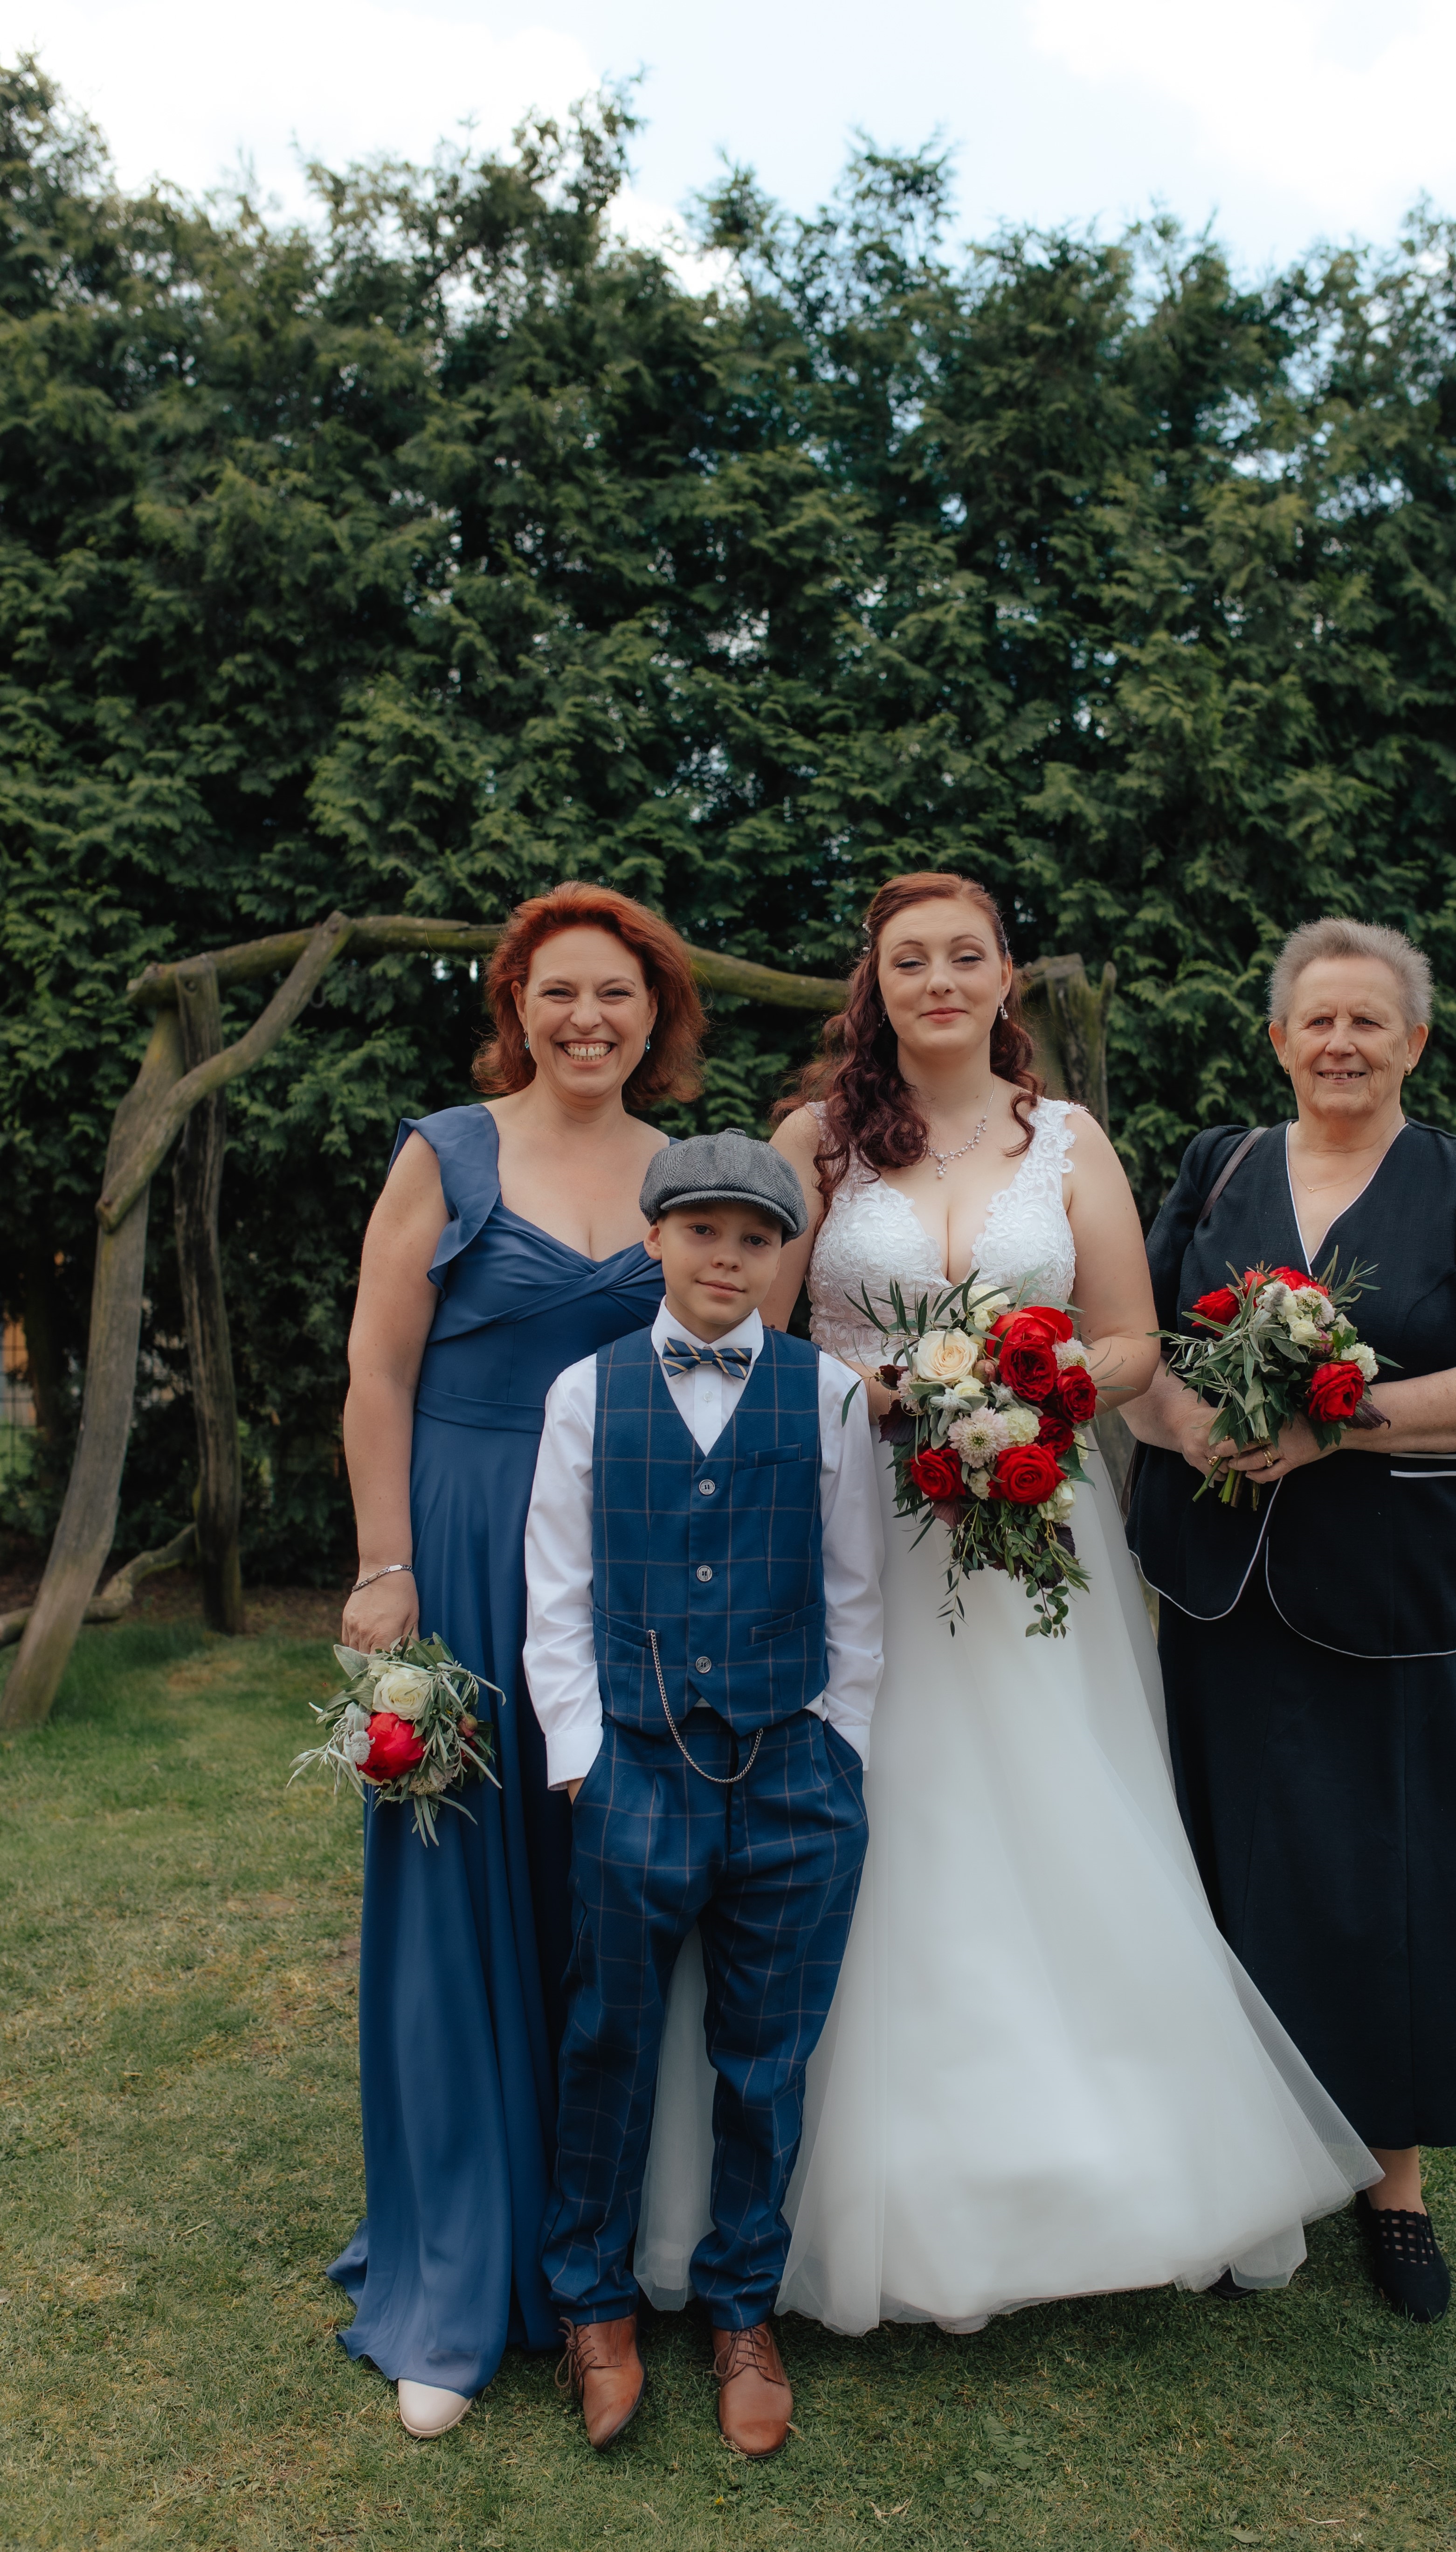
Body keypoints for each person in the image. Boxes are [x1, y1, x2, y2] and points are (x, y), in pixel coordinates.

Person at [632, 871, 1375, 2340]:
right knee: (867, 1812)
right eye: (908, 960)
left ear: (1003, 977)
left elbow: (1130, 1336)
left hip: (1037, 1522)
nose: (938, 981)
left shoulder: (1070, 1141)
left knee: (1055, 1804)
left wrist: (1033, 1384)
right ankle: (836, 2185)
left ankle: (1094, 2168)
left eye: (964, 955)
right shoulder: (817, 1142)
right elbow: (746, 1331)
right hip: (855, 1517)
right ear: (877, 985)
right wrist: (885, 1390)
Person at [1125, 915, 1456, 2323]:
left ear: (1414, 1043)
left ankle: (1396, 2186)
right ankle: (1243, 2178)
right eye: (1316, 1020)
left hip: (1389, 1586)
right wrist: (1190, 1425)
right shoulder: (1219, 1165)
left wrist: (1343, 1423)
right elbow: (1137, 1340)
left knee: (1395, 1882)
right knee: (1226, 1869)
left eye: (1369, 1020)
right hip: (1217, 1582)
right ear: (1278, 1040)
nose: (1340, 1043)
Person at [329, 881, 705, 2437]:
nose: (587, 1018)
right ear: (516, 1007)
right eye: (558, 991)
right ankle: (455, 2270)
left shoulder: (685, 1169)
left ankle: (605, 2251)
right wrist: (388, 1566)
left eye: (615, 992)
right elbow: (376, 1366)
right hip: (469, 1540)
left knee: (608, 1898)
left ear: (655, 1013)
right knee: (457, 1899)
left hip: (629, 1563)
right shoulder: (448, 1152)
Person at [522, 1131, 883, 2456]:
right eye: (702, 1233)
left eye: (754, 1239)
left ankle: (742, 2309)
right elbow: (556, 1595)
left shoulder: (828, 1396)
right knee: (607, 2041)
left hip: (794, 1774)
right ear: (656, 1242)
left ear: (783, 1257)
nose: (727, 1258)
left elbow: (856, 1592)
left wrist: (841, 1746)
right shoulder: (587, 1393)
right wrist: (583, 1758)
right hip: (634, 1766)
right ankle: (594, 2305)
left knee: (766, 2062)